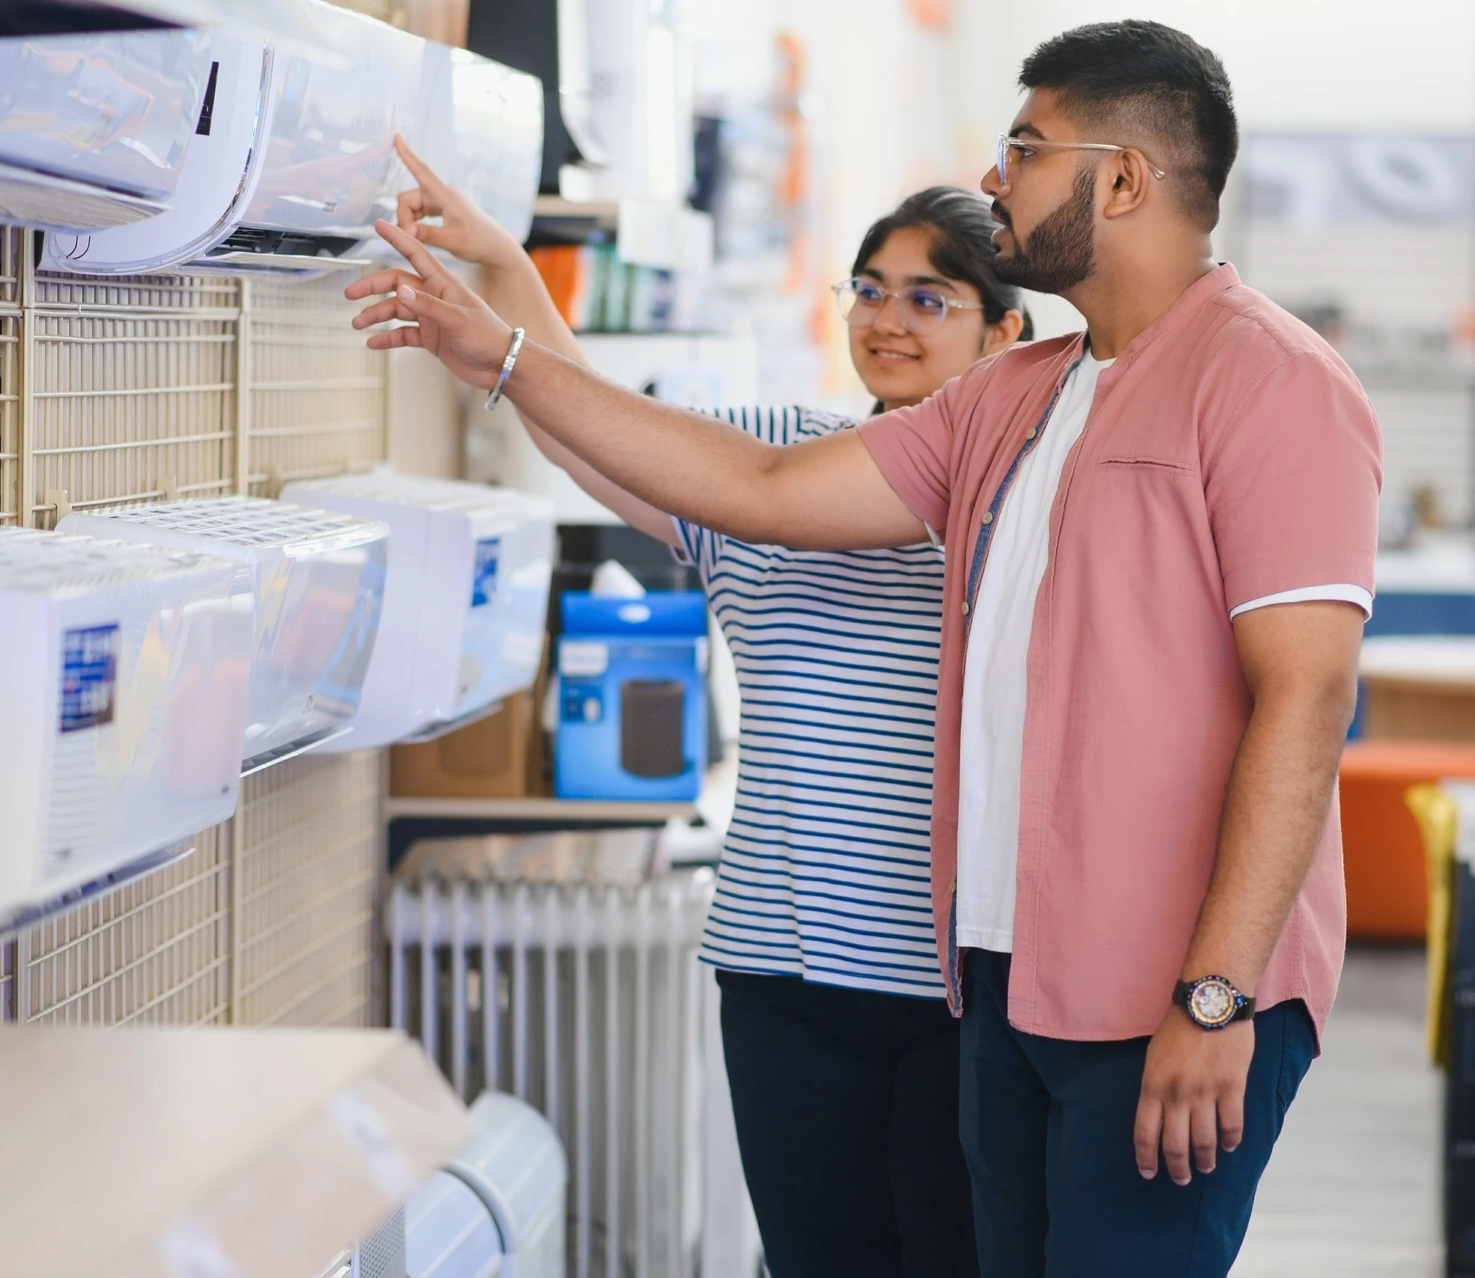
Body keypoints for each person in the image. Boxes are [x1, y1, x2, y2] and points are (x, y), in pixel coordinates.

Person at [350, 20, 1379, 1275]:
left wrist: (1218, 996)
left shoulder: (1272, 380)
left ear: (1122, 180)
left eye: (1026, 149)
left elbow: (1306, 698)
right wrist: (508, 348)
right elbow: (766, 487)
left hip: (1171, 994)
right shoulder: (1020, 394)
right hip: (1004, 988)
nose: (996, 177)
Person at [375, 139, 1029, 1277]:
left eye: (930, 298)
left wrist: (508, 341)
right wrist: (505, 265)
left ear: (1004, 334)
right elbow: (591, 434)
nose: (888, 319)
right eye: (870, 289)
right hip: (782, 972)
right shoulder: (774, 456)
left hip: (958, 984)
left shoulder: (1018, 503)